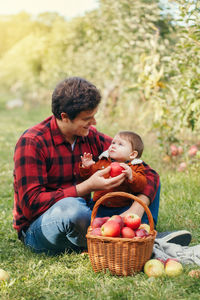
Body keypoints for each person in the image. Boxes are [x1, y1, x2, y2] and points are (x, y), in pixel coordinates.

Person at [13, 76, 186, 256]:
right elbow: (31, 204)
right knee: (73, 209)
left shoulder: (89, 136)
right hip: (40, 228)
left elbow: (149, 172)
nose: (94, 123)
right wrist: (87, 186)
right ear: (64, 117)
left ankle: (135, 234)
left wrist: (136, 207)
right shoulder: (33, 143)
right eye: (87, 118)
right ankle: (138, 241)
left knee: (140, 177)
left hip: (85, 217)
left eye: (94, 116)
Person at [79, 131, 147, 207]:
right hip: (98, 204)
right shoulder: (103, 161)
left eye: (120, 144)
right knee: (91, 216)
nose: (113, 146)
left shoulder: (135, 167)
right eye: (113, 143)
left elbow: (141, 186)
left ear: (132, 154)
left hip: (121, 207)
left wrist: (131, 175)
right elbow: (89, 177)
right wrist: (87, 167)